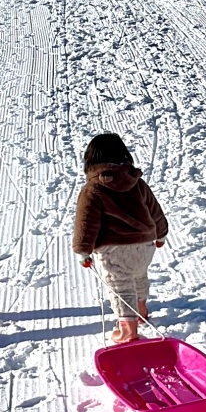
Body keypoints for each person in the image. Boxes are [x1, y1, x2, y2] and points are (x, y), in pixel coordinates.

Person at [71, 133, 168, 343]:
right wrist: (161, 234)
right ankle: (141, 312)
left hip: (114, 250)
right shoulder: (138, 184)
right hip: (145, 245)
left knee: (120, 286)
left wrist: (83, 250)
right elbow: (155, 211)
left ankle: (128, 332)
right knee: (139, 276)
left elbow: (86, 223)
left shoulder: (93, 189)